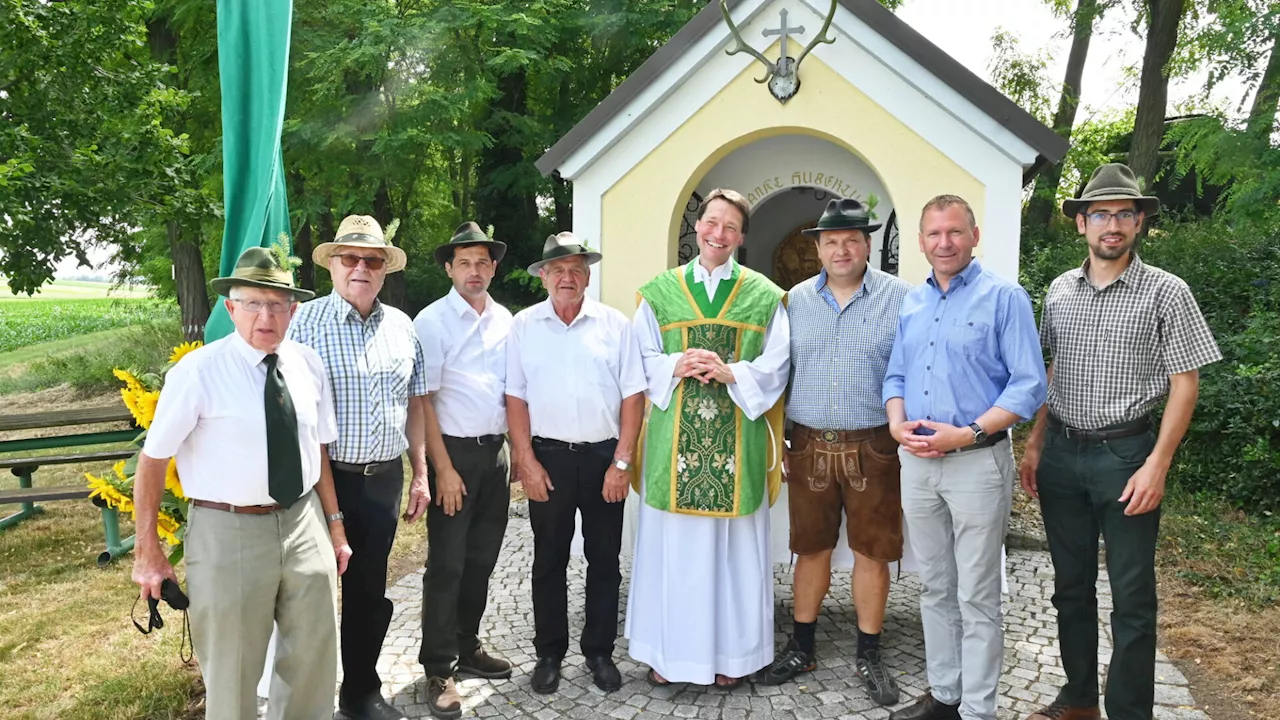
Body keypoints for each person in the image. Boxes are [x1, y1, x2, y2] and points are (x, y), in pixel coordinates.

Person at [1019, 164, 1221, 720]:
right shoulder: (1060, 290)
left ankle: (1131, 713)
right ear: (1082, 223)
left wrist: (1158, 464)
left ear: (1139, 224)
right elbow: (1050, 370)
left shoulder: (1167, 292)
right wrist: (1036, 445)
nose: (1113, 224)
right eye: (1102, 214)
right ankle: (1079, 697)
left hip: (1127, 456)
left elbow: (1186, 382)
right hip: (1061, 452)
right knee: (1070, 589)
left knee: (1132, 599)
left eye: (1124, 214)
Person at [132, 246, 350, 720]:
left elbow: (317, 450)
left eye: (277, 304)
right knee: (231, 669)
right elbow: (152, 461)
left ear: (294, 310)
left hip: (303, 521)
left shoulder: (308, 364)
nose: (265, 316)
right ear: (231, 309)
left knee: (313, 657)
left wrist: (334, 526)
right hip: (226, 529)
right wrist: (148, 553)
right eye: (252, 303)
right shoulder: (198, 372)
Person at [884, 195, 1047, 720]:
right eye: (934, 234)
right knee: (933, 585)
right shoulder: (913, 302)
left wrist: (969, 433)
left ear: (974, 236)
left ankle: (978, 711)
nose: (944, 243)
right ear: (921, 241)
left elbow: (1029, 385)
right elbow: (895, 376)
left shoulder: (1004, 298)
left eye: (954, 232)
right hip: (917, 463)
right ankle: (944, 695)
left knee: (977, 594)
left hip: (976, 462)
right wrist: (895, 423)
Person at [625, 188, 790, 689]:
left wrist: (732, 373)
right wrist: (678, 363)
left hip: (736, 445)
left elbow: (777, 364)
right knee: (673, 556)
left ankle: (731, 658)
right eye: (711, 222)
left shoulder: (764, 295)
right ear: (697, 227)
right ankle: (668, 656)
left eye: (731, 227)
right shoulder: (658, 292)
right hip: (672, 448)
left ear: (742, 237)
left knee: (732, 559)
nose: (719, 234)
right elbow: (639, 359)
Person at [760, 198, 910, 708]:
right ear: (817, 248)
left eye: (851, 239)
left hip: (874, 444)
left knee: (873, 550)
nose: (841, 249)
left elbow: (912, 368)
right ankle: (802, 646)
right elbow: (778, 373)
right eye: (830, 241)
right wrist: (777, 435)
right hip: (808, 444)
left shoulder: (901, 298)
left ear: (867, 244)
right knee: (810, 547)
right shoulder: (793, 301)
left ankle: (869, 651)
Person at [287, 215, 430, 720]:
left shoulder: (402, 326)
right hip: (323, 481)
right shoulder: (302, 324)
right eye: (350, 258)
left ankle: (361, 693)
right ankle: (307, 697)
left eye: (372, 260)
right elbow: (298, 419)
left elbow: (416, 403)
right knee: (314, 590)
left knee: (369, 592)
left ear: (384, 271)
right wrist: (330, 512)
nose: (361, 267)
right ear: (332, 266)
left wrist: (422, 473)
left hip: (384, 481)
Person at [505, 232, 646, 695]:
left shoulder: (615, 325)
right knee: (549, 559)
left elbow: (633, 395)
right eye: (558, 270)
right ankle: (549, 653)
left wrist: (622, 463)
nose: (567, 277)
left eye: (576, 269)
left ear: (588, 275)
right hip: (548, 458)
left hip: (605, 457)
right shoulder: (523, 326)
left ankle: (599, 651)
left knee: (604, 559)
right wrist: (525, 461)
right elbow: (516, 397)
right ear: (543, 276)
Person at [411, 222, 515, 719]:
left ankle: (467, 646)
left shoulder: (505, 319)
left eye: (483, 262)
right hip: (452, 454)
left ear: (494, 268)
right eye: (465, 262)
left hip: (495, 455)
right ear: (449, 268)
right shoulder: (431, 322)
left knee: (482, 559)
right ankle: (437, 665)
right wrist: (442, 470)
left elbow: (510, 391)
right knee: (447, 564)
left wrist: (514, 450)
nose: (475, 271)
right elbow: (423, 401)